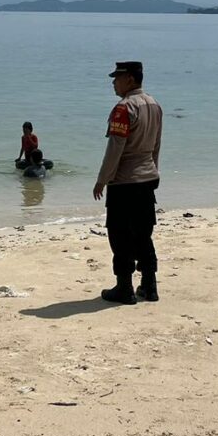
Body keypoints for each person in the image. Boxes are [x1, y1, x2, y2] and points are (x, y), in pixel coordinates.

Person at [92, 60, 163, 305]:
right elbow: (156, 145)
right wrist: (154, 170)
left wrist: (102, 180)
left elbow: (115, 148)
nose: (113, 82)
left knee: (120, 235)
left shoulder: (123, 108)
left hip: (124, 182)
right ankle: (149, 285)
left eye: (117, 78)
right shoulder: (155, 105)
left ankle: (124, 287)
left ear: (130, 79)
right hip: (147, 178)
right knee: (144, 233)